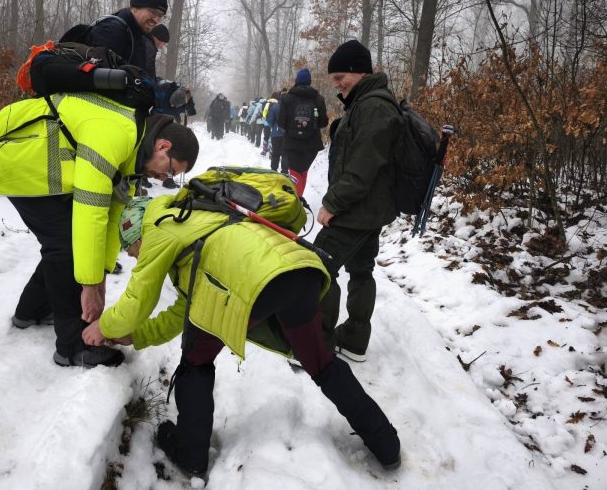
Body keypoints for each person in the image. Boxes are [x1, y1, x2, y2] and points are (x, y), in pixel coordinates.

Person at [83, 195, 401, 478]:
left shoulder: (158, 229)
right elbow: (184, 309)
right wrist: (136, 337)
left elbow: (136, 303)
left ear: (136, 234)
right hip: (298, 270)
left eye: (132, 250)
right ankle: (387, 445)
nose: (136, 258)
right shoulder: (194, 219)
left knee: (195, 361)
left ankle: (191, 456)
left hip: (256, 282)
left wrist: (105, 328)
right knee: (321, 363)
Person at [0, 96, 200, 368]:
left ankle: (32, 311)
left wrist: (102, 276)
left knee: (66, 245)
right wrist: (89, 285)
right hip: (15, 154)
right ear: (163, 146)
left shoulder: (132, 154)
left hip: (37, 160)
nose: (163, 178)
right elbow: (91, 211)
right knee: (66, 245)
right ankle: (72, 347)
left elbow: (112, 217)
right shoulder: (114, 135)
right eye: (170, 169)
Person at [314, 40, 404, 362]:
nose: (336, 84)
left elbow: (363, 167)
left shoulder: (374, 107)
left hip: (358, 209)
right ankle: (353, 339)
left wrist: (332, 204)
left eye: (340, 77)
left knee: (319, 265)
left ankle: (317, 344)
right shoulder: (366, 103)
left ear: (358, 71)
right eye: (334, 79)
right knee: (361, 269)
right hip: (370, 208)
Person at [84, 0, 168, 78]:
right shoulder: (111, 31)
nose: (157, 20)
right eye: (153, 12)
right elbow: (96, 78)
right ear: (136, 7)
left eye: (160, 16)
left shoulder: (140, 37)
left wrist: (169, 88)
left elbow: (144, 79)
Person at [279, 67, 328, 196]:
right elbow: (323, 122)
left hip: (291, 143)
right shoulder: (319, 99)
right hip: (312, 143)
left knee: (295, 172)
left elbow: (281, 122)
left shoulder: (286, 98)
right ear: (310, 82)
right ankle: (298, 199)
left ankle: (296, 201)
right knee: (303, 172)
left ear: (297, 80)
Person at [265, 93, 287, 173]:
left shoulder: (275, 107)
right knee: (285, 153)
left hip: (276, 133)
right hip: (287, 134)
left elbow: (269, 121)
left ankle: (274, 170)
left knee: (276, 153)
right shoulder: (291, 107)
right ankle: (284, 171)